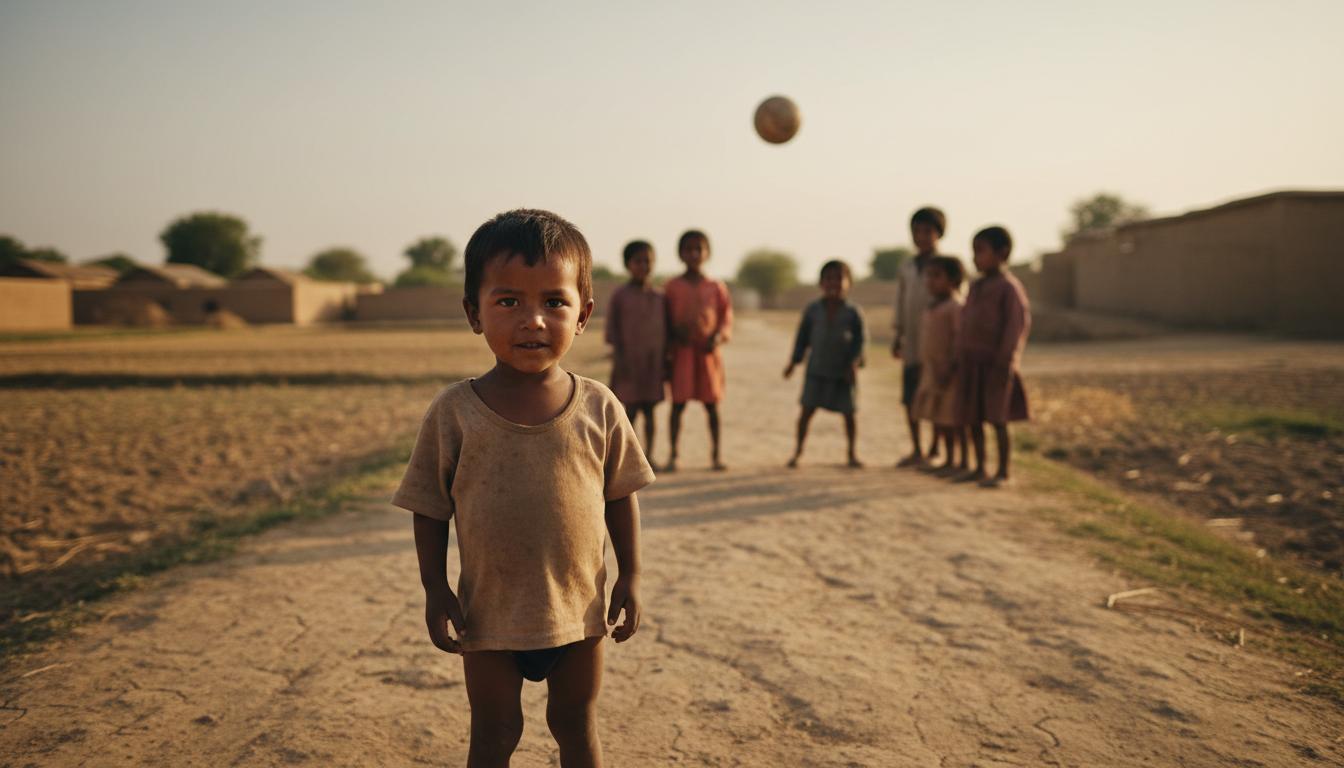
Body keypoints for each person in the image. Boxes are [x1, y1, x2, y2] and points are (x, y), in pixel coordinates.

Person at [392, 209, 655, 768]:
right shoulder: (455, 413)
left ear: (583, 315)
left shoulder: (599, 407)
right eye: (508, 302)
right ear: (473, 312)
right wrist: (435, 588)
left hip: (579, 609)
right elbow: (429, 508)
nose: (533, 320)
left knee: (575, 725)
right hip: (488, 613)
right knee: (494, 731)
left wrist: (631, 574)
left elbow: (619, 495)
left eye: (554, 303)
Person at [957, 225, 1031, 488]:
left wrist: (1006, 362)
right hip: (972, 363)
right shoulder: (975, 287)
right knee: (973, 418)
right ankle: (979, 467)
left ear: (1003, 253)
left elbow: (1015, 327)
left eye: (981, 251)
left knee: (998, 419)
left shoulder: (1009, 289)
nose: (975, 258)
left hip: (997, 365)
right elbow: (966, 321)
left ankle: (1002, 471)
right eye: (973, 252)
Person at [784, 259, 867, 468]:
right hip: (817, 370)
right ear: (821, 283)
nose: (834, 283)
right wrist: (793, 362)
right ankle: (797, 452)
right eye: (829, 279)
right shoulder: (813, 310)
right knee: (806, 412)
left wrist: (854, 363)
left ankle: (852, 453)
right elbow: (802, 338)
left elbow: (861, 340)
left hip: (843, 371)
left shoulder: (853, 312)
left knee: (849, 414)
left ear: (849, 283)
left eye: (839, 279)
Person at [664, 229, 732, 472]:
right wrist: (673, 334)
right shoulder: (672, 287)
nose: (694, 254)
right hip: (682, 353)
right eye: (688, 250)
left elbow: (725, 318)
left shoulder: (716, 286)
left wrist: (718, 336)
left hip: (707, 354)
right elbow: (664, 319)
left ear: (707, 253)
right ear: (680, 254)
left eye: (698, 249)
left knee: (712, 406)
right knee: (678, 405)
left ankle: (716, 456)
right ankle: (674, 455)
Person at [891, 206, 948, 467]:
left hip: (937, 343)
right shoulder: (907, 267)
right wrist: (898, 333)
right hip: (912, 342)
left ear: (939, 234)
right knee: (910, 397)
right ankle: (916, 448)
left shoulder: (946, 267)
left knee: (935, 397)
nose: (921, 237)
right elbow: (900, 301)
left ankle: (936, 448)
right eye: (917, 231)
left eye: (927, 231)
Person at [605, 239, 666, 463]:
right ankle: (630, 459)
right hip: (628, 364)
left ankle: (650, 456)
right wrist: (620, 361)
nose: (643, 266)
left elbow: (665, 332)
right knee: (629, 412)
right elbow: (613, 330)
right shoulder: (620, 296)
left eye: (647, 261)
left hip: (652, 365)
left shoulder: (659, 297)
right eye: (638, 261)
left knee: (650, 411)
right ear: (628, 264)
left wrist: (666, 362)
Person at [911, 256, 968, 476]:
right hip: (932, 372)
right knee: (939, 419)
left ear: (953, 280)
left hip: (950, 373)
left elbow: (959, 339)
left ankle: (960, 462)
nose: (930, 281)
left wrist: (952, 365)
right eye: (928, 276)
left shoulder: (955, 307)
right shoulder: (932, 307)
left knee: (954, 420)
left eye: (937, 276)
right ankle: (948, 459)